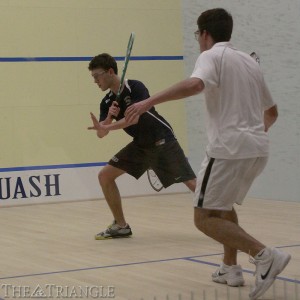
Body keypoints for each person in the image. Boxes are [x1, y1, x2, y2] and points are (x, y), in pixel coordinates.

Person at [125, 8, 291, 300]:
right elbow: (273, 112)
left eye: (197, 35)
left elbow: (194, 85)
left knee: (203, 218)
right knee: (223, 207)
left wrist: (147, 102)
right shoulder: (249, 62)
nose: (198, 41)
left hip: (227, 149)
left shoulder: (211, 55)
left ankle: (264, 255)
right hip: (257, 149)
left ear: (204, 33)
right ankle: (230, 267)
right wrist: (252, 137)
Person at [87, 53, 196, 240]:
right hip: (141, 145)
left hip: (162, 139)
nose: (95, 81)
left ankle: (223, 212)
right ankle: (121, 226)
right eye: (93, 77)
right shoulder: (107, 102)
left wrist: (109, 125)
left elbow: (133, 118)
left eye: (97, 76)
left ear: (110, 72)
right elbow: (101, 133)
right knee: (105, 175)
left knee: (190, 182)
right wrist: (107, 118)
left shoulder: (135, 87)